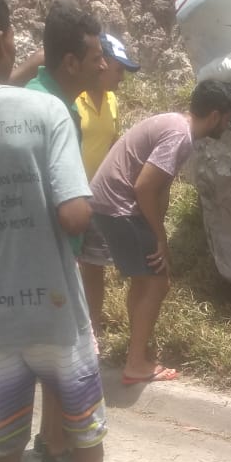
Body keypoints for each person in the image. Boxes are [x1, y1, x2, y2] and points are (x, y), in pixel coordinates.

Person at [0, 0, 122, 462]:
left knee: (4, 439)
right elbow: (73, 216)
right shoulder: (46, 112)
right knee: (85, 430)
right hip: (56, 311)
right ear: (6, 37)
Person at [91, 79, 231, 384]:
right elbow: (144, 187)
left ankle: (137, 352)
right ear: (213, 116)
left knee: (145, 280)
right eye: (226, 117)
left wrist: (158, 225)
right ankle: (135, 363)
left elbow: (160, 188)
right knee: (158, 283)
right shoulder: (180, 137)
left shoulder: (177, 125)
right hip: (120, 206)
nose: (228, 123)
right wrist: (160, 237)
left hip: (108, 203)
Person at [25, 0, 107, 462]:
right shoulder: (54, 110)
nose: (103, 63)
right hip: (48, 254)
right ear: (71, 62)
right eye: (96, 56)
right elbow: (68, 207)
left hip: (46, 254)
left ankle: (49, 440)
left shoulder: (41, 93)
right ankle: (53, 447)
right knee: (59, 354)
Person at [76, 32, 140, 332]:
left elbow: (114, 145)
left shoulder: (113, 101)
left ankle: (93, 328)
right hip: (69, 196)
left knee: (93, 267)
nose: (121, 78)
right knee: (71, 266)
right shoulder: (74, 99)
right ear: (101, 65)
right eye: (119, 70)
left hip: (97, 198)